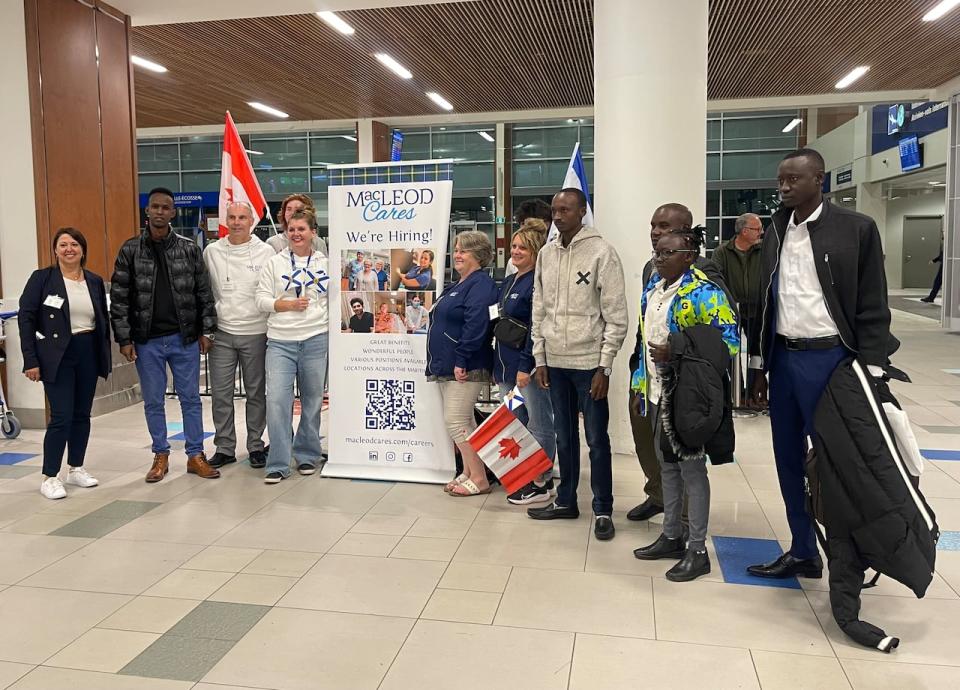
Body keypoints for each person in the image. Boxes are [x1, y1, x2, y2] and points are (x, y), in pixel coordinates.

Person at [747, 148, 891, 579]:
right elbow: (763, 303)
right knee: (787, 458)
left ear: (820, 181)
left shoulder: (856, 229)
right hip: (783, 360)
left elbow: (873, 303)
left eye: (794, 179)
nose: (785, 187)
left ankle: (850, 558)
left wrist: (873, 366)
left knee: (838, 462)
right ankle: (803, 549)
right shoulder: (774, 230)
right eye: (781, 180)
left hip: (833, 359)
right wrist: (759, 367)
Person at [631, 228, 739, 581]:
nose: (658, 259)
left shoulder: (705, 292)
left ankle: (697, 549)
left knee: (692, 471)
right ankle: (671, 535)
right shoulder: (653, 288)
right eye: (656, 253)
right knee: (668, 468)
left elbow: (729, 343)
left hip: (687, 396)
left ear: (689, 256)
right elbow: (643, 338)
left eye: (667, 253)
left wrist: (677, 349)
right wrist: (638, 384)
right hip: (656, 391)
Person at [528, 188, 628, 541]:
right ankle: (566, 500)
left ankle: (603, 509)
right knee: (564, 436)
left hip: (589, 365)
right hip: (554, 362)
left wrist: (604, 367)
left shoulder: (602, 252)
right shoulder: (546, 254)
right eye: (554, 210)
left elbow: (617, 316)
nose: (558, 216)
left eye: (566, 209)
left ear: (582, 211)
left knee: (597, 439)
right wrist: (540, 357)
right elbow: (538, 308)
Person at [111, 187, 220, 482]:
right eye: (155, 207)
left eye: (165, 207)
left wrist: (207, 329)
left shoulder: (189, 249)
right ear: (147, 211)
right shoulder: (130, 250)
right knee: (153, 401)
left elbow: (204, 293)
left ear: (173, 212)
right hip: (146, 342)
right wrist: (124, 339)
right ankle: (160, 454)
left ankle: (195, 455)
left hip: (183, 338)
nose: (160, 211)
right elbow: (119, 298)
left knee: (191, 399)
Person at [18, 228, 111, 499]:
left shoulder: (93, 280)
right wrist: (30, 360)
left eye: (74, 244)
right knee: (61, 416)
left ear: (83, 249)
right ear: (55, 250)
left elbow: (101, 319)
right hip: (56, 354)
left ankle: (76, 468)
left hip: (88, 352)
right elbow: (26, 320)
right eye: (63, 245)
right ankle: (49, 476)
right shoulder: (42, 279)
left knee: (82, 414)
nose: (69, 249)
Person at [256, 209, 330, 483]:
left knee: (312, 402)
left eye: (302, 229)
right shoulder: (274, 263)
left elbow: (332, 302)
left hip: (315, 338)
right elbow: (260, 300)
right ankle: (277, 461)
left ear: (313, 232)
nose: (296, 234)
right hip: (280, 342)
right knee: (276, 401)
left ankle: (308, 455)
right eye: (292, 229)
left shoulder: (325, 263)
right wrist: (286, 304)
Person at [426, 231, 498, 497]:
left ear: (478, 255)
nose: (457, 254)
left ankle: (479, 478)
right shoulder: (458, 284)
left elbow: (476, 326)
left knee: (456, 421)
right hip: (448, 365)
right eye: (456, 249)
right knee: (463, 420)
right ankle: (468, 472)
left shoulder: (480, 285)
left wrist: (462, 359)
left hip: (466, 366)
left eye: (464, 251)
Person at [203, 201, 274, 470]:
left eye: (242, 217)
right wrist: (206, 330)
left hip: (256, 332)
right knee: (221, 394)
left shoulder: (265, 252)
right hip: (222, 334)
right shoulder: (212, 252)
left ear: (251, 221)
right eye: (231, 217)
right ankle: (224, 447)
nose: (236, 222)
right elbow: (205, 293)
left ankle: (256, 445)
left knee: (256, 393)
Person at [494, 218, 557, 505]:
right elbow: (495, 316)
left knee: (539, 421)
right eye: (514, 246)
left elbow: (535, 327)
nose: (516, 251)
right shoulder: (509, 281)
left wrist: (525, 365)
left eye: (523, 248)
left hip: (525, 369)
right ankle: (523, 474)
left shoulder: (537, 283)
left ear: (535, 252)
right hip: (505, 367)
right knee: (515, 419)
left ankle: (542, 480)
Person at [711, 212, 764, 407]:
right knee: (732, 353)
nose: (761, 232)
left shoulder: (764, 250)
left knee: (756, 352)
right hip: (731, 312)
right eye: (757, 229)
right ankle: (738, 392)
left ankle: (754, 391)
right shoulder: (722, 252)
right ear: (744, 231)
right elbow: (716, 280)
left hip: (758, 310)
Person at [506, 199, 554, 276]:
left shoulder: (554, 258)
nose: (524, 228)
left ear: (546, 224)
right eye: (522, 224)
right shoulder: (514, 261)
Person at [920, 233, 943, 303]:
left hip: (948, 266)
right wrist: (934, 260)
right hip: (943, 266)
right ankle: (931, 297)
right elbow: (941, 256)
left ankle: (931, 297)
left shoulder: (951, 244)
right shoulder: (946, 245)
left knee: (938, 282)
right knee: (937, 282)